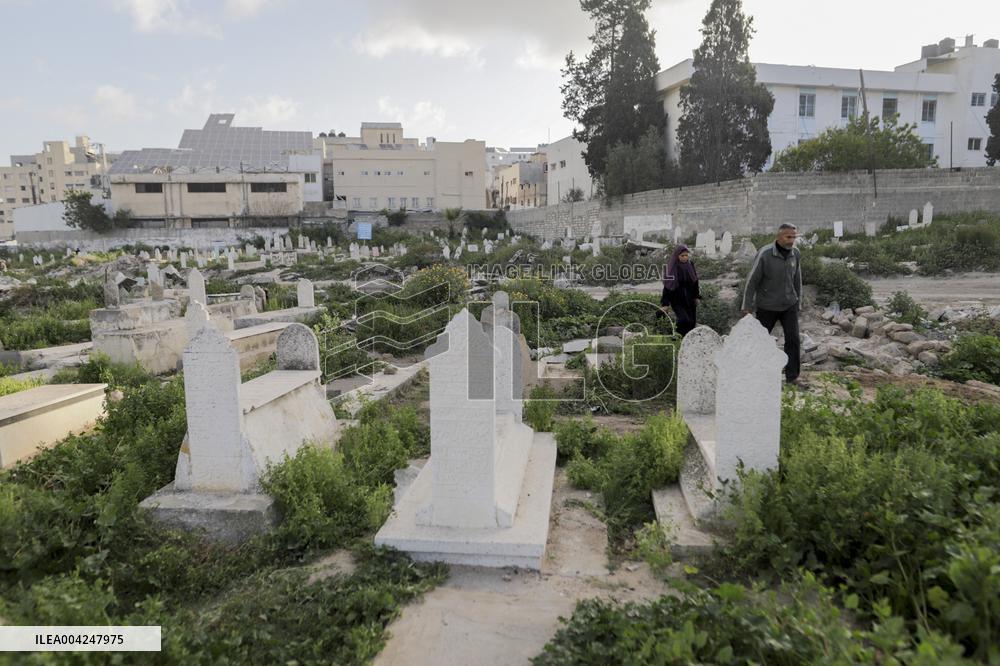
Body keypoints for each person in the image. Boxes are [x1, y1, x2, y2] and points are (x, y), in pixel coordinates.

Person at [741, 224, 803, 384]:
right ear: (778, 237)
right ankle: (754, 374)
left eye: (794, 237)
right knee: (760, 341)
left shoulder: (795, 253)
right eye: (788, 237)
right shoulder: (765, 254)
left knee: (793, 340)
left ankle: (792, 377)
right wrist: (746, 306)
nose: (791, 240)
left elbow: (797, 280)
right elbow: (752, 281)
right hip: (767, 306)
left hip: (789, 304)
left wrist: (798, 303)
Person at [660, 243, 700, 336]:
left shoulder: (690, 265)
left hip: (690, 299)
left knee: (691, 322)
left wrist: (696, 297)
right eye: (682, 255)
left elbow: (695, 281)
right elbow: (667, 286)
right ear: (677, 256)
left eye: (686, 255)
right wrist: (665, 303)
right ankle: (676, 338)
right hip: (677, 300)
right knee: (683, 320)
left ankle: (686, 342)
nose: (685, 257)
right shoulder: (672, 268)